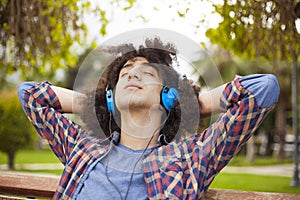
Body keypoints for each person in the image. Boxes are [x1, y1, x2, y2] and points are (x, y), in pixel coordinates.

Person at [18, 37, 279, 200]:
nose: (132, 75)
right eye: (125, 74)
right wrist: (96, 103)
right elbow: (29, 94)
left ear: (167, 94)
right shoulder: (82, 147)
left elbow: (263, 89)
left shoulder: (192, 157)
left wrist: (188, 103)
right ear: (111, 96)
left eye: (147, 73)